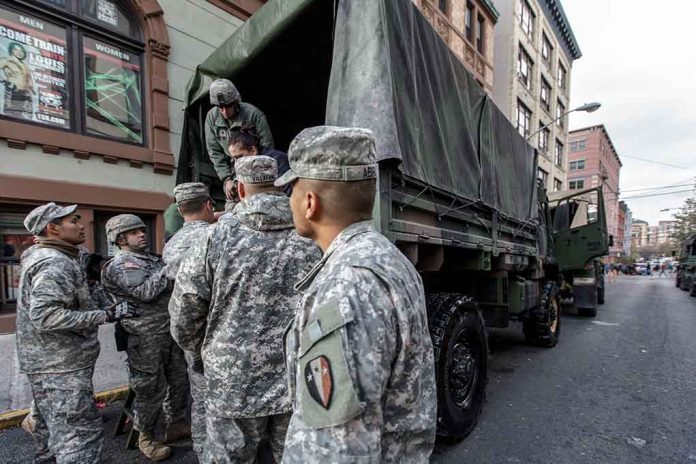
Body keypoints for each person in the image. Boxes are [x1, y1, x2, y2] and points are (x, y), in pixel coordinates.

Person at [276, 126, 437, 463]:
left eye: (291, 188)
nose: (287, 199)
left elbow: (336, 447)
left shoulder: (346, 286)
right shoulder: (388, 258)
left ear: (310, 202)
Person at [170, 155, 321, 463]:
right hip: (299, 379)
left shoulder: (213, 238)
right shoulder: (313, 237)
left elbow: (185, 313)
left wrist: (203, 354)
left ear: (239, 189)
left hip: (233, 382)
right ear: (281, 186)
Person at [16, 203, 136, 463]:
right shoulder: (54, 264)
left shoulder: (50, 254)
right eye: (74, 221)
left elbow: (74, 298)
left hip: (51, 362)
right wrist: (106, 315)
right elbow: (46, 316)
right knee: (79, 436)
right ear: (53, 228)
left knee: (50, 429)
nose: (82, 226)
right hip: (60, 366)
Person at [101, 214, 190, 461]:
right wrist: (170, 268)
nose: (142, 234)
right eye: (135, 232)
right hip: (144, 337)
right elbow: (145, 291)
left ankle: (176, 423)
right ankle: (146, 436)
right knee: (150, 389)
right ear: (121, 239)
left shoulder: (150, 259)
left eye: (142, 230)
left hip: (168, 330)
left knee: (179, 379)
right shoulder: (122, 264)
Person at [162, 182, 215, 461]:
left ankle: (203, 449)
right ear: (208, 205)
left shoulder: (171, 245)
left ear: (181, 210)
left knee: (200, 395)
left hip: (188, 331)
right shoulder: (217, 236)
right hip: (219, 330)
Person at [205, 78, 274, 205]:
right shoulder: (212, 118)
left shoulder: (254, 114)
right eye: (220, 107)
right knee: (231, 211)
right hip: (231, 171)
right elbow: (215, 153)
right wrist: (227, 180)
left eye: (228, 106)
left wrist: (259, 177)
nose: (225, 111)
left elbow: (267, 148)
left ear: (236, 101)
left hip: (256, 169)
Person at [0, 42, 36, 119]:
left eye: (21, 51)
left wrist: (31, 89)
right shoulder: (6, 60)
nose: (19, 52)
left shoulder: (25, 65)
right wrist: (4, 81)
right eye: (16, 50)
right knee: (10, 115)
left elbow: (29, 78)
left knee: (27, 118)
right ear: (12, 50)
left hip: (26, 93)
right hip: (13, 90)